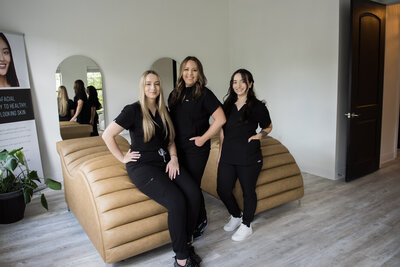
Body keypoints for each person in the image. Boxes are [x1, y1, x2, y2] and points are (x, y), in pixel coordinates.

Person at [102, 70, 202, 267]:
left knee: (194, 194)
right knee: (176, 201)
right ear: (142, 87)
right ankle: (181, 259)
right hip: (142, 167)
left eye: (156, 84)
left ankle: (186, 243)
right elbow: (107, 135)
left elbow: (171, 139)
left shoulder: (163, 110)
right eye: (148, 84)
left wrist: (174, 159)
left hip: (165, 162)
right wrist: (122, 157)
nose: (153, 88)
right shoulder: (133, 110)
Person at [168, 56, 226, 239]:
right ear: (181, 72)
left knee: (192, 187)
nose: (189, 73)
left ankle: (198, 222)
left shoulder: (204, 94)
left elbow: (221, 119)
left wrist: (203, 138)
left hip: (196, 150)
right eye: (186, 69)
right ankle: (197, 218)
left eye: (194, 70)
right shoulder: (174, 94)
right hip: (178, 149)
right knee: (186, 187)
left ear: (199, 73)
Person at [217, 69, 272, 241]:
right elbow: (222, 132)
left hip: (249, 155)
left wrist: (259, 135)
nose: (238, 85)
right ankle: (235, 215)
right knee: (222, 189)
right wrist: (220, 154)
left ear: (250, 84)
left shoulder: (258, 106)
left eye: (242, 81)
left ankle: (246, 224)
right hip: (228, 154)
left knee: (248, 192)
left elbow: (268, 126)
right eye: (234, 81)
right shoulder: (227, 105)